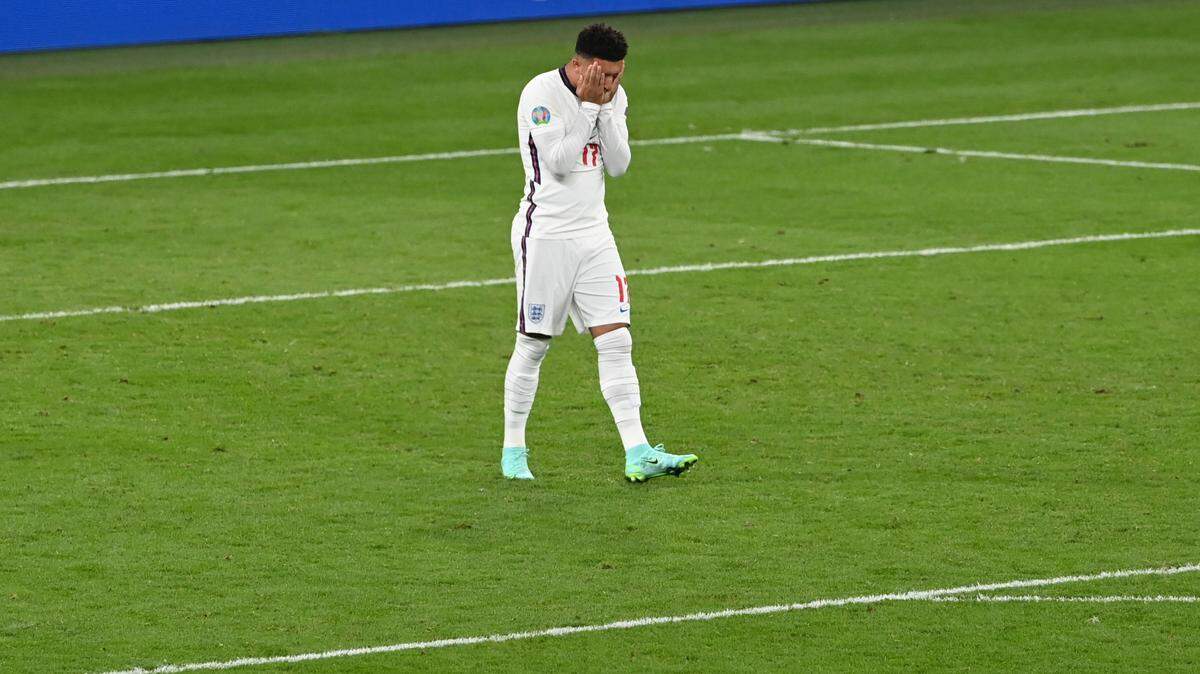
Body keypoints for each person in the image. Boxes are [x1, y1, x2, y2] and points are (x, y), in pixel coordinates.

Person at [500, 23, 699, 483]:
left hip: (595, 236)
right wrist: (590, 106)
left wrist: (606, 109)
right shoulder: (541, 93)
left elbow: (620, 164)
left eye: (618, 75)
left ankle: (639, 451)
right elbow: (560, 162)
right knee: (532, 346)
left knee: (616, 340)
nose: (612, 83)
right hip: (545, 236)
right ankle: (514, 450)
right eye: (605, 75)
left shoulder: (615, 96)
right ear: (579, 65)